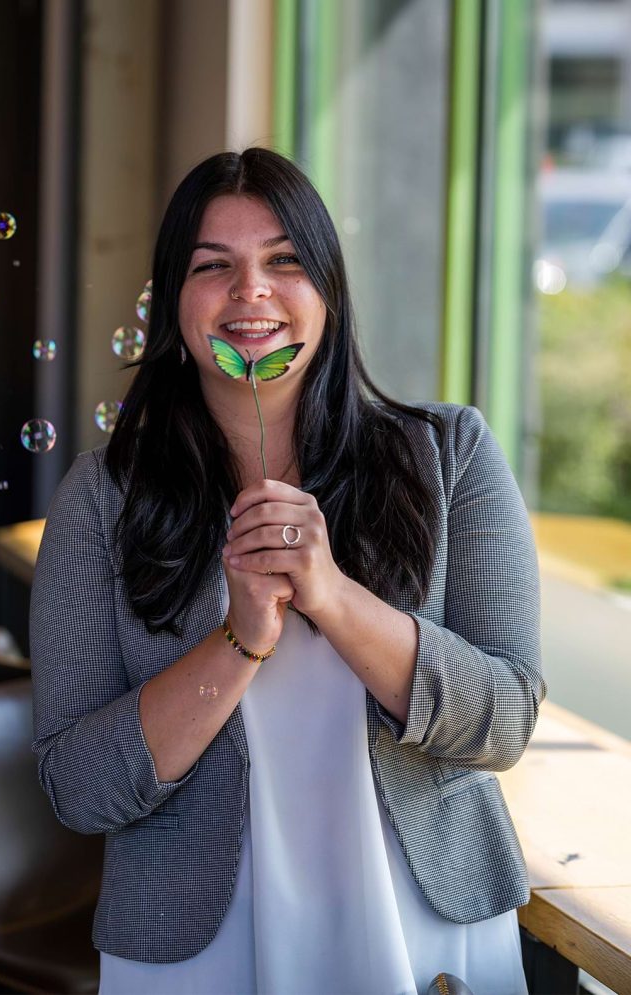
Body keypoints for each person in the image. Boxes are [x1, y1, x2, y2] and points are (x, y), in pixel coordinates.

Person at [30, 147, 545, 995]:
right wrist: (240, 638)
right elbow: (77, 788)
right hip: (197, 945)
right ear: (173, 302)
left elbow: (504, 721)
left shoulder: (451, 456)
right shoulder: (102, 498)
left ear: (329, 293)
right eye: (213, 266)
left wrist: (334, 595)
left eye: (285, 261)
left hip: (420, 923)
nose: (251, 292)